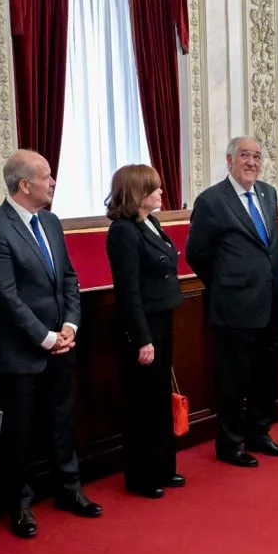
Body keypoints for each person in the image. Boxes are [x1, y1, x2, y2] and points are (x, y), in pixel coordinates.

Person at [0, 150, 102, 537]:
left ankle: (69, 489)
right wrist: (45, 338)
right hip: (20, 351)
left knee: (63, 422)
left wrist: (70, 326)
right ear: (24, 184)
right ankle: (20, 505)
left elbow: (68, 278)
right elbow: (5, 296)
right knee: (20, 433)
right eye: (46, 176)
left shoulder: (50, 221)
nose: (53, 182)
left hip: (60, 344)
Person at [185, 136, 278, 467]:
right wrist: (225, 284)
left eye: (257, 156)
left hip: (272, 303)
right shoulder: (211, 201)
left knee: (265, 375)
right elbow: (196, 254)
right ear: (229, 160)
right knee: (233, 379)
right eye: (244, 155)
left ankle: (259, 432)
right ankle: (230, 444)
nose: (252, 162)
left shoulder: (268, 194)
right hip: (233, 307)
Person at [104, 164, 186, 496]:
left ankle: (163, 468)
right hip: (143, 327)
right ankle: (142, 476)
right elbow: (128, 291)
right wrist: (142, 339)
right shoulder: (123, 231)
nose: (161, 193)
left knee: (158, 399)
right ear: (138, 193)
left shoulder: (149, 222)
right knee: (143, 402)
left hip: (162, 320)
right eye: (154, 188)